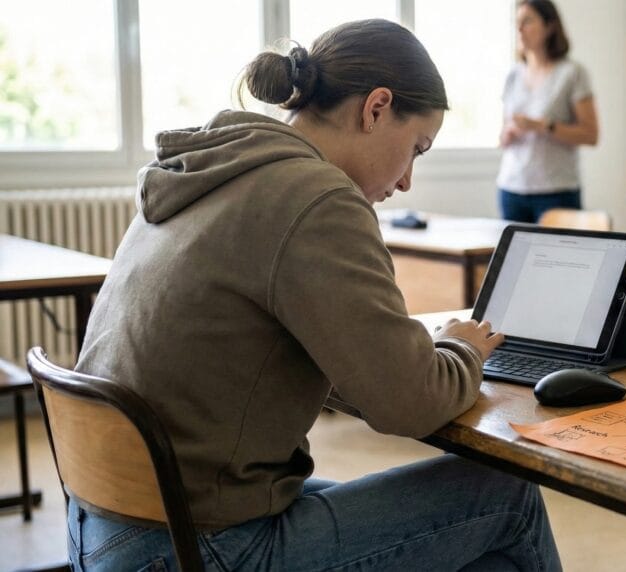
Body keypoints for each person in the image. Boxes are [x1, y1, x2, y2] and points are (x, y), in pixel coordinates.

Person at [70, 19, 561, 571]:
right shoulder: (316, 197)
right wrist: (462, 351)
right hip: (196, 545)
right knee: (506, 497)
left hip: (107, 524)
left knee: (480, 550)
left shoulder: (206, 169)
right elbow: (411, 402)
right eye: (417, 149)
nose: (406, 183)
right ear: (376, 109)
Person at [496, 0, 599, 223]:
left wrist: (544, 126)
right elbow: (502, 133)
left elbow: (591, 134)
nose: (520, 29)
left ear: (550, 26)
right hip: (512, 189)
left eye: (528, 21)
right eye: (517, 23)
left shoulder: (572, 73)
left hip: (557, 190)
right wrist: (508, 135)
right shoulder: (513, 76)